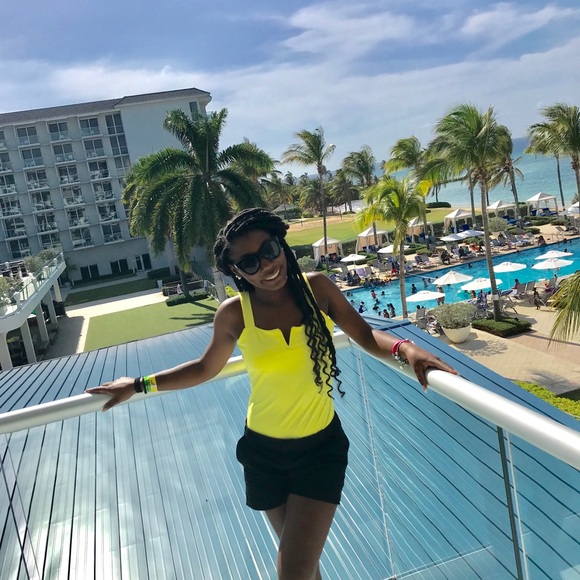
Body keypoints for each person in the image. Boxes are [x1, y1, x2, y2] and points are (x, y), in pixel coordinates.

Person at [86, 208, 456, 578]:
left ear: (281, 245)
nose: (266, 265)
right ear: (237, 272)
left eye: (269, 250)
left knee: (293, 571)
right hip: (262, 455)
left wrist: (406, 349)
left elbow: (365, 334)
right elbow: (203, 368)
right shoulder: (235, 313)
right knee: (304, 569)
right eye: (250, 262)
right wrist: (138, 385)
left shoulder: (317, 289)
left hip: (319, 452)